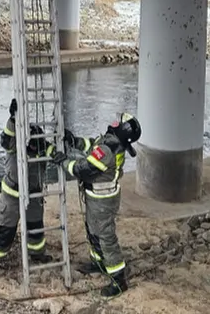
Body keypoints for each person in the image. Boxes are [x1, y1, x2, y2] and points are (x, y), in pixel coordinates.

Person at [52, 112, 142, 298]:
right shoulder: (110, 142)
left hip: (103, 200)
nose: (114, 121)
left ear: (122, 129)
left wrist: (63, 161)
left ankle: (118, 281)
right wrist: (75, 140)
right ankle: (98, 263)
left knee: (105, 237)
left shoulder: (108, 150)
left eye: (118, 121)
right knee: (93, 230)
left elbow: (81, 169)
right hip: (97, 197)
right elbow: (92, 145)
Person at [0, 98, 55, 263]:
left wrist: (66, 146)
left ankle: (37, 255)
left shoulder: (42, 146)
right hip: (12, 194)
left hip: (33, 195)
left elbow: (55, 152)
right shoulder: (15, 146)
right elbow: (6, 140)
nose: (33, 147)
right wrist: (13, 119)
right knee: (6, 229)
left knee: (36, 228)